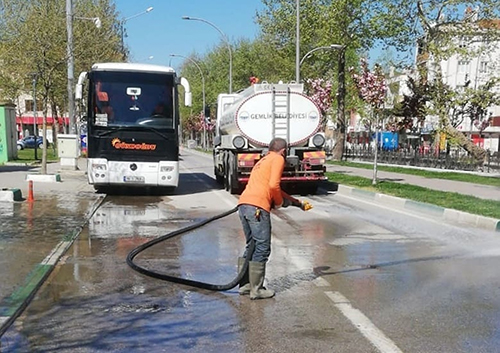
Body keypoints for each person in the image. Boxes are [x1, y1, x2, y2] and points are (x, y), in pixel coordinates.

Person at [237, 137, 293, 300]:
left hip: (244, 204)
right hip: (257, 208)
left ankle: (245, 285)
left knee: (252, 245)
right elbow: (273, 186)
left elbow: (272, 187)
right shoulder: (278, 159)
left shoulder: (263, 160)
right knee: (262, 247)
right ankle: (257, 289)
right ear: (283, 151)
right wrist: (279, 202)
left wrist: (295, 202)